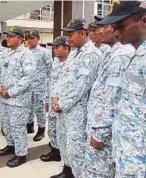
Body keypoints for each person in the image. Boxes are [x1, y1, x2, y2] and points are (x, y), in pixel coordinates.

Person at [98, 1, 146, 177]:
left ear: (144, 20)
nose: (115, 31)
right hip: (127, 153)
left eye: (121, 25)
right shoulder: (135, 54)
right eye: (114, 26)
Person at [51, 18, 103, 178]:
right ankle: (67, 172)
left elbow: (80, 86)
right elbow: (63, 79)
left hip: (78, 113)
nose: (68, 38)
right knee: (64, 144)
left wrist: (61, 103)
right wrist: (55, 98)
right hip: (64, 110)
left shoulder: (92, 54)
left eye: (70, 34)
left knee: (76, 151)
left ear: (83, 33)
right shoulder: (74, 54)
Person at [85, 15, 135, 178]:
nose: (101, 31)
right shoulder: (112, 53)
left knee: (99, 172)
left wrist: (100, 133)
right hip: (99, 126)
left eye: (106, 27)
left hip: (104, 133)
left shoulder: (121, 55)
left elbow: (113, 98)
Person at [0, 26, 36, 167]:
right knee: (6, 125)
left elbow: (28, 78)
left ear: (20, 39)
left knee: (17, 127)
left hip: (18, 100)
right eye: (8, 36)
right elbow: (0, 72)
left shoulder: (26, 55)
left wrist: (10, 92)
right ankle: (11, 145)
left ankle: (21, 154)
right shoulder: (6, 53)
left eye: (12, 36)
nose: (8, 38)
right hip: (4, 98)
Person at [40, 36, 70, 164]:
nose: (54, 50)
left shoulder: (73, 63)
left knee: (64, 133)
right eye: (54, 48)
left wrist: (59, 102)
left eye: (57, 47)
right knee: (52, 129)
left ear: (66, 48)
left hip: (64, 105)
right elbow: (51, 82)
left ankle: (66, 159)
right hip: (53, 101)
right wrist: (49, 100)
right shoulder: (55, 62)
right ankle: (55, 151)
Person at [26, 30, 52, 141]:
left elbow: (51, 68)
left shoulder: (44, 52)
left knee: (39, 108)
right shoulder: (24, 51)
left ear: (38, 39)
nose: (30, 40)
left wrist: (49, 86)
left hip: (39, 86)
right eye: (29, 38)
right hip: (27, 86)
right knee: (28, 107)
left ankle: (41, 129)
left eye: (33, 38)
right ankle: (29, 125)